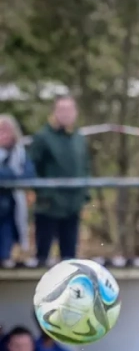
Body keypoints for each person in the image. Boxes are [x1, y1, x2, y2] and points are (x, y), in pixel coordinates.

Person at [29, 95, 89, 266]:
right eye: (62, 109)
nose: (66, 114)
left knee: (69, 255)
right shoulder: (42, 137)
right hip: (48, 206)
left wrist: (84, 195)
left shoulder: (79, 138)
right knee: (42, 254)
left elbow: (85, 167)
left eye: (69, 109)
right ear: (54, 112)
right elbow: (32, 168)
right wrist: (43, 193)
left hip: (72, 205)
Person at [0, 114, 34, 264]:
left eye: (7, 130)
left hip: (11, 208)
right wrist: (12, 175)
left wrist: (10, 176)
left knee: (5, 249)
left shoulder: (20, 153)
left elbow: (29, 174)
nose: (4, 135)